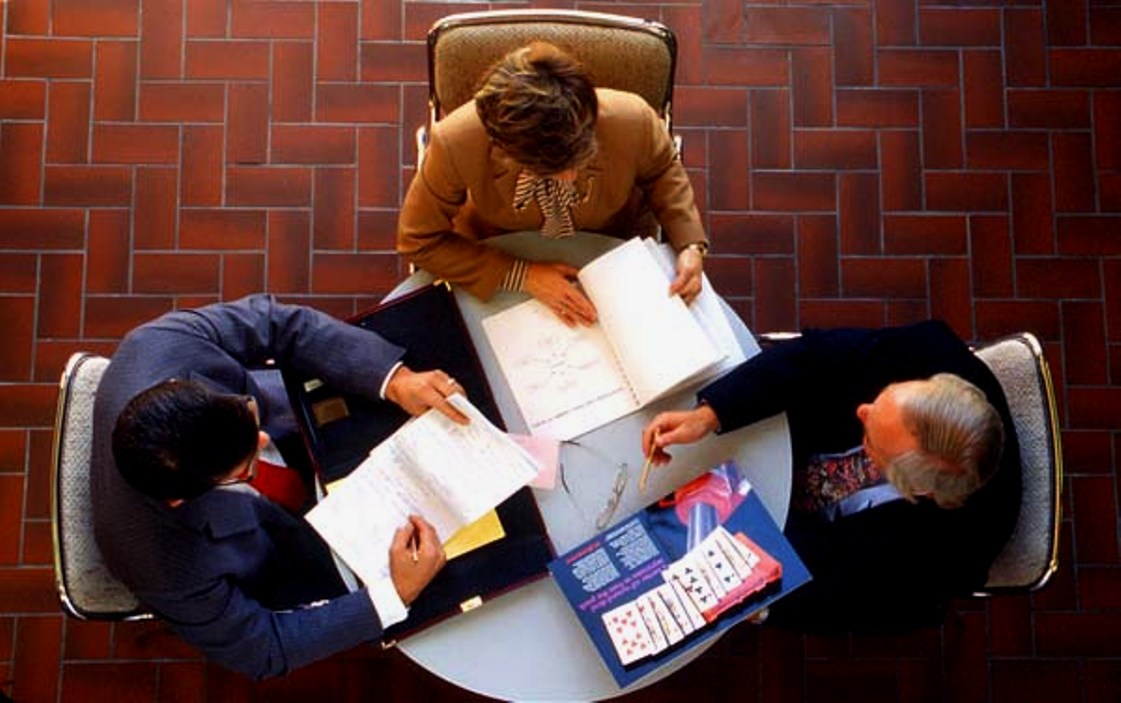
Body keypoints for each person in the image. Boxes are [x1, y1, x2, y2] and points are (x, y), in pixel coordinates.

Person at [91, 295, 469, 680]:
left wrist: (394, 380)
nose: (261, 441)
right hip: (295, 553)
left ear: (179, 385)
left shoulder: (157, 344)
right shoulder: (162, 564)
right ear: (179, 500)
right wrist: (393, 596)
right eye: (244, 467)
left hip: (308, 428)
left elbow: (277, 323)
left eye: (246, 415)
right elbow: (265, 649)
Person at [640, 320, 1021, 633]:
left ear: (918, 489)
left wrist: (757, 599)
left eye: (873, 441)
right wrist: (710, 414)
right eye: (884, 398)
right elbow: (817, 357)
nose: (863, 411)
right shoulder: (930, 351)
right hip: (779, 435)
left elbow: (840, 599)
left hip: (797, 543)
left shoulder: (945, 559)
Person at [398, 41, 710, 327]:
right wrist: (521, 274)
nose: (570, 178)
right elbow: (418, 240)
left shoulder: (634, 119)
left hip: (611, 245)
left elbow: (663, 170)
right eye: (550, 170)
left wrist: (689, 245)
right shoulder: (455, 142)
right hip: (498, 249)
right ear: (501, 145)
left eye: (580, 157)